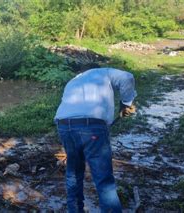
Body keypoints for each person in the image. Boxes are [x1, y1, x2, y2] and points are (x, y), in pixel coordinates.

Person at [54, 64, 137, 213]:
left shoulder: (72, 81)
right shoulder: (104, 72)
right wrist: (126, 103)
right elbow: (127, 77)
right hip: (91, 126)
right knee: (103, 178)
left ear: (81, 71)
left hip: (64, 126)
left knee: (73, 173)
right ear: (95, 68)